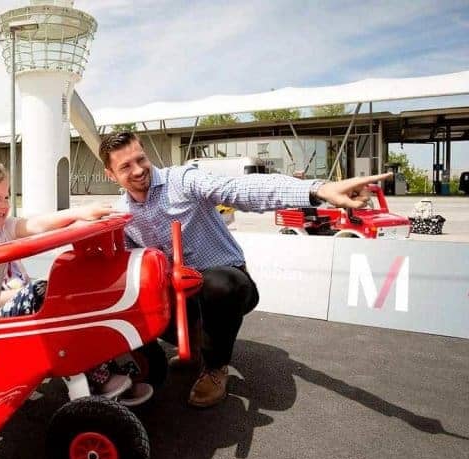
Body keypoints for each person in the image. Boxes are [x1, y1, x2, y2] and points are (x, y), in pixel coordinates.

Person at [98, 131, 392, 408]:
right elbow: (130, 264)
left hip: (225, 283)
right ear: (111, 174)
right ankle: (197, 346)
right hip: (179, 294)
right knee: (142, 304)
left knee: (218, 285)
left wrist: (318, 189)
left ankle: (215, 368)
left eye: (141, 159)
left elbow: (240, 189)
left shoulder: (182, 180)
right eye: (126, 166)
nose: (138, 169)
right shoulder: (121, 214)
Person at [0, 158, 152, 405]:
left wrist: (80, 213)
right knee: (49, 296)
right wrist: (41, 293)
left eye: (6, 196)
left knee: (71, 301)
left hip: (22, 307)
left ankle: (108, 363)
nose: (4, 205)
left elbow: (40, 223)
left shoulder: (4, 228)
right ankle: (97, 379)